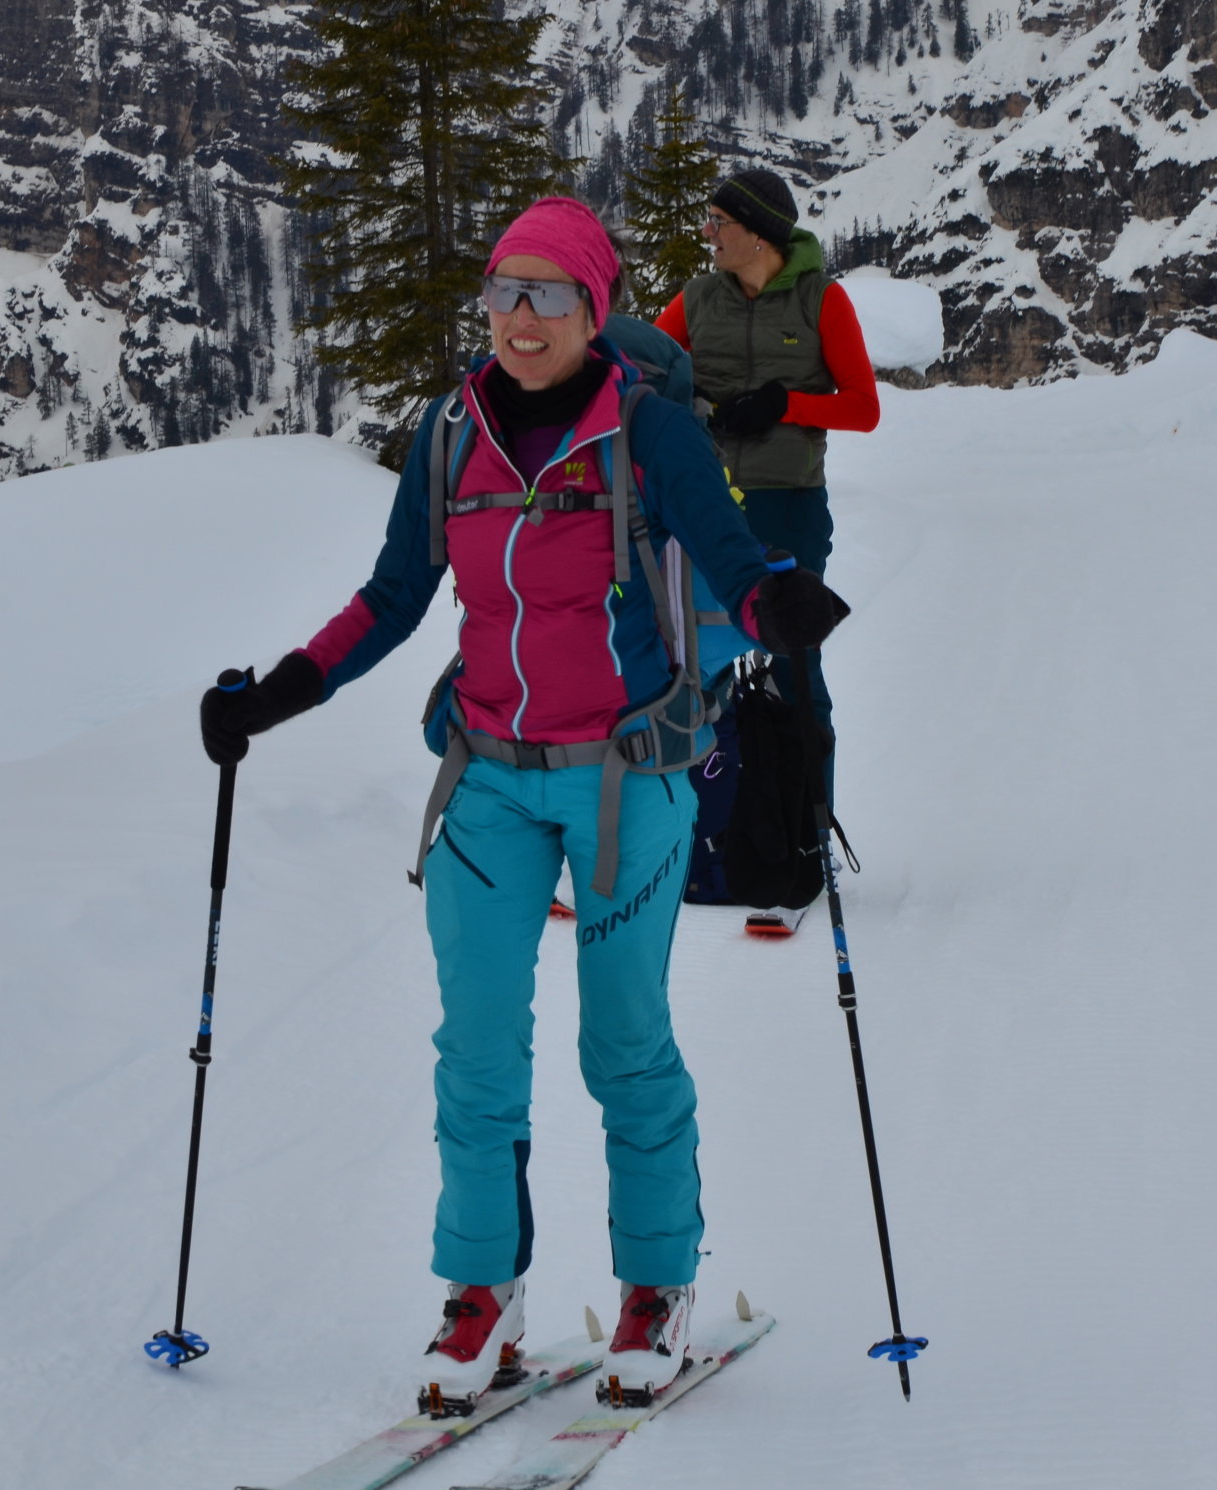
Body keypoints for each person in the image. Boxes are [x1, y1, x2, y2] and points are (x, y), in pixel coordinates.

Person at [197, 196, 844, 1400]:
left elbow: (731, 562)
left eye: (550, 293)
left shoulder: (650, 432)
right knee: (476, 1047)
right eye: (505, 291)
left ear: (595, 309)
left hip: (628, 775)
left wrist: (778, 609)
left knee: (624, 1039)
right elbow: (393, 596)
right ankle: (482, 1295)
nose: (522, 317)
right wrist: (279, 691)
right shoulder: (452, 432)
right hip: (487, 775)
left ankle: (656, 1283)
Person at [654, 168, 880, 814]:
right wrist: (691, 402)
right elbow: (640, 369)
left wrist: (785, 405)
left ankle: (810, 830)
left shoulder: (821, 301)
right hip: (706, 508)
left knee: (793, 665)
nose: (708, 233)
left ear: (759, 235)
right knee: (699, 663)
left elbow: (863, 408)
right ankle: (706, 833)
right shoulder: (698, 299)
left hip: (789, 503)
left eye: (719, 222)